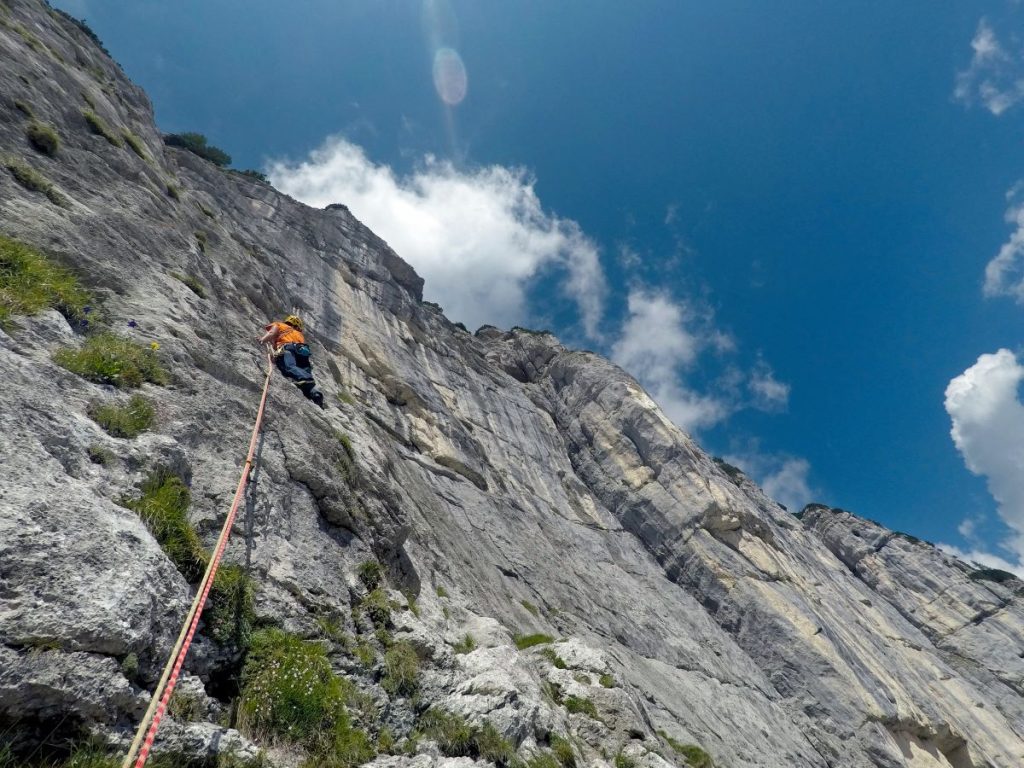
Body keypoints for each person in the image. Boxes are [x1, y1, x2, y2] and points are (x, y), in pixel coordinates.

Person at [259, 314, 325, 409]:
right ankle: (314, 393)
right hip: (302, 352)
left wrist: (262, 340)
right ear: (297, 326)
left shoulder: (280, 325)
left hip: (288, 348)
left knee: (288, 367)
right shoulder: (299, 334)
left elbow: (272, 333)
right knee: (303, 370)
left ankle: (306, 380)